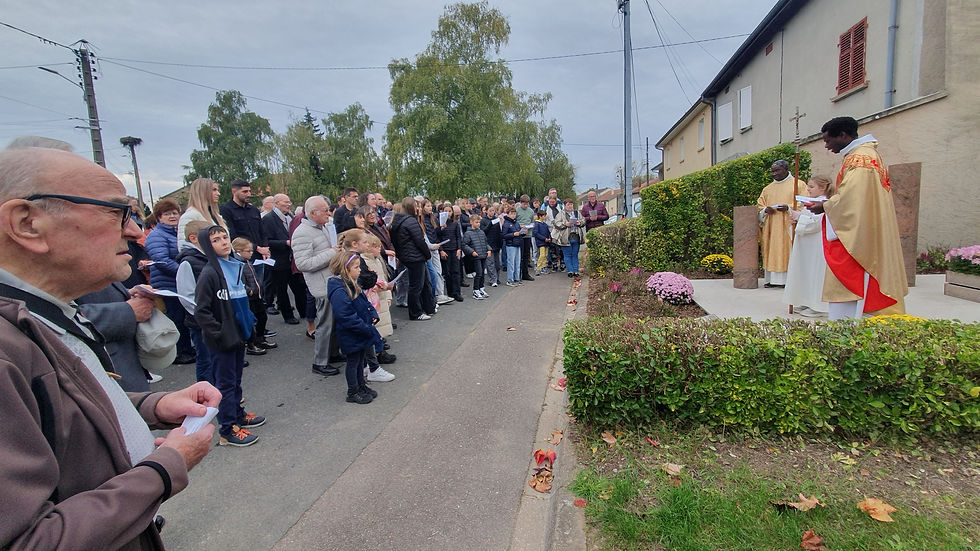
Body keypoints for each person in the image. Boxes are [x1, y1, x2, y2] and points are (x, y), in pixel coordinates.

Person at [0, 146, 219, 550]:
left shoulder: (40, 311)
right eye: (116, 213)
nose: (136, 232)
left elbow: (59, 407)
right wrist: (165, 468)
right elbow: (27, 541)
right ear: (27, 224)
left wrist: (151, 406)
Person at [809, 116, 908, 320]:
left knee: (853, 283)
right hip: (869, 227)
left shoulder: (859, 159)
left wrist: (825, 206)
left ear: (843, 135)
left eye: (828, 140)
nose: (826, 146)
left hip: (859, 235)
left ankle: (847, 327)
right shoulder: (868, 155)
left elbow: (851, 199)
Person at [193, 225, 265, 447]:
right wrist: (220, 332)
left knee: (235, 381)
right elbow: (201, 311)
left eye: (225, 237)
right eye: (216, 240)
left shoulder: (234, 267)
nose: (224, 242)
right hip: (222, 340)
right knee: (224, 384)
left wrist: (249, 323)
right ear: (207, 245)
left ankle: (238, 414)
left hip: (238, 336)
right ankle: (227, 429)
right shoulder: (209, 274)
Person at [291, 196, 344, 376]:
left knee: (334, 322)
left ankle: (333, 353)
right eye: (325, 211)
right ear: (313, 213)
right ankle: (320, 362)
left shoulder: (324, 227)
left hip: (332, 281)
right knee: (325, 325)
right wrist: (332, 252)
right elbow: (303, 264)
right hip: (321, 286)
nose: (329, 214)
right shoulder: (302, 233)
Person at [327, 251, 384, 404]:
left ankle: (361, 386)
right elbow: (345, 316)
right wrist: (364, 327)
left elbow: (365, 302)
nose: (360, 270)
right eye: (356, 267)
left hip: (361, 330)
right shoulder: (339, 290)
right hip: (351, 333)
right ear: (346, 269)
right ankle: (353, 391)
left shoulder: (352, 284)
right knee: (353, 362)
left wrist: (372, 313)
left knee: (360, 360)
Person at [145, 198, 196, 365]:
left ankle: (187, 348)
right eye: (167, 214)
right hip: (168, 283)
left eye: (175, 213)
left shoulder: (177, 233)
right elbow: (161, 260)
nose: (173, 216)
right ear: (159, 217)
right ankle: (180, 352)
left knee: (184, 317)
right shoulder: (156, 235)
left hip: (178, 282)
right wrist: (184, 272)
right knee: (177, 318)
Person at [782, 176, 834, 317]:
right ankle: (805, 300)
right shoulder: (811, 202)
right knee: (805, 272)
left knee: (815, 273)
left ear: (822, 187)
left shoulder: (826, 204)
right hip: (806, 245)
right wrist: (796, 217)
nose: (808, 189)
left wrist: (800, 219)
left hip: (817, 245)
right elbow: (806, 217)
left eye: (811, 187)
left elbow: (819, 221)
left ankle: (817, 306)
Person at [175, 220, 216, 383]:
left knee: (216, 358)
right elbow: (187, 295)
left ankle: (220, 391)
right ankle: (207, 396)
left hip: (215, 318)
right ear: (194, 238)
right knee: (206, 359)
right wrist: (204, 315)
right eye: (210, 235)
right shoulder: (188, 262)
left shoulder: (209, 257)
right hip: (201, 322)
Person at [756, 160, 806, 288]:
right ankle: (772, 280)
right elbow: (760, 206)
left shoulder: (798, 185)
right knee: (772, 250)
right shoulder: (768, 189)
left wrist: (788, 208)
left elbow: (804, 203)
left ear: (786, 169)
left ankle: (789, 281)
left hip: (788, 225)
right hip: (771, 226)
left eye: (777, 170)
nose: (774, 174)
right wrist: (765, 210)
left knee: (787, 249)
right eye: (772, 171)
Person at [261, 193, 306, 324]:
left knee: (298, 287)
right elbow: (267, 241)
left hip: (291, 260)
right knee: (282, 290)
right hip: (278, 261)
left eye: (289, 201)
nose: (288, 204)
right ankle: (288, 315)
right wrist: (285, 243)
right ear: (276, 203)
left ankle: (304, 311)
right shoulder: (268, 219)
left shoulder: (290, 217)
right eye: (285, 202)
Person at [388, 197, 436, 320]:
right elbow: (420, 241)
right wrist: (427, 255)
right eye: (416, 206)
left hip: (408, 256)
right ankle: (415, 313)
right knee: (416, 286)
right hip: (415, 257)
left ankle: (429, 307)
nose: (418, 208)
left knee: (424, 283)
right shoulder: (410, 221)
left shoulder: (397, 222)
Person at [231, 237, 277, 355]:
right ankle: (251, 344)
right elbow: (237, 281)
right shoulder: (236, 264)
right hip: (248, 297)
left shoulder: (247, 261)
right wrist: (248, 291)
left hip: (257, 295)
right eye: (248, 251)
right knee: (251, 321)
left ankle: (260, 339)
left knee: (262, 317)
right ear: (238, 251)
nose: (251, 253)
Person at [177, 178, 225, 251]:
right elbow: (185, 247)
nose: (218, 194)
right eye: (214, 190)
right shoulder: (189, 216)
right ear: (203, 192)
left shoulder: (215, 215)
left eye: (217, 190)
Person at [553, 198, 586, 278]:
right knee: (567, 255)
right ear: (565, 206)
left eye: (571, 204)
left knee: (575, 254)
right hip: (566, 237)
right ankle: (570, 271)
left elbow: (583, 221)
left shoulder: (577, 213)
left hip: (576, 236)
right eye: (568, 204)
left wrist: (579, 222)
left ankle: (576, 271)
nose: (570, 206)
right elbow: (556, 223)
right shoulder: (561, 214)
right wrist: (565, 224)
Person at [462, 212, 491, 300]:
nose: (478, 224)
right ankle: (476, 290)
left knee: (482, 273)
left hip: (483, 255)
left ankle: (481, 288)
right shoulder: (468, 233)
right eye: (476, 222)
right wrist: (472, 252)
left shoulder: (481, 232)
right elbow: (464, 245)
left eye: (479, 222)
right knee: (478, 273)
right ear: (471, 222)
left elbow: (485, 242)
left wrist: (489, 249)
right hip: (476, 256)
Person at [440, 205, 464, 301]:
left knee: (456, 271)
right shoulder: (440, 224)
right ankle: (450, 292)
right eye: (446, 211)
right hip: (445, 250)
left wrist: (459, 249)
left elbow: (458, 237)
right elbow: (438, 237)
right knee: (448, 272)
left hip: (454, 249)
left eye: (450, 211)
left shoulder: (455, 223)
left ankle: (457, 292)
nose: (448, 213)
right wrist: (441, 250)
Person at [515, 194, 536, 281]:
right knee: (519, 256)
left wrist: (530, 226)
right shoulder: (517, 211)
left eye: (527, 204)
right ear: (521, 203)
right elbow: (514, 222)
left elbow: (533, 222)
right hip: (520, 236)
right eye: (524, 204)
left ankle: (525, 274)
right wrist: (521, 226)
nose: (526, 205)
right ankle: (517, 274)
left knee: (526, 255)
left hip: (528, 235)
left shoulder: (531, 211)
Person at [502, 205, 524, 286]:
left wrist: (522, 233)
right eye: (511, 213)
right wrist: (513, 234)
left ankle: (517, 278)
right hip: (510, 244)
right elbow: (504, 235)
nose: (513, 215)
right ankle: (510, 280)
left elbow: (519, 232)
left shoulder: (516, 223)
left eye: (514, 214)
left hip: (517, 243)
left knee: (517, 262)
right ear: (507, 214)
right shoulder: (506, 223)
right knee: (511, 263)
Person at [481, 204, 502, 288]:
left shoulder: (496, 220)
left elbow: (499, 232)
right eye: (490, 210)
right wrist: (490, 224)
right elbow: (483, 232)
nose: (492, 212)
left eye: (493, 210)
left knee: (497, 263)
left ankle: (497, 278)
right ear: (486, 211)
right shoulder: (483, 220)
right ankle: (492, 279)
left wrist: (500, 243)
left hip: (496, 243)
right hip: (488, 244)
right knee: (490, 263)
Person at [533, 209, 552, 276]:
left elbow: (548, 232)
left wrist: (549, 238)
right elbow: (536, 233)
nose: (545, 217)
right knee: (542, 255)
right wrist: (544, 239)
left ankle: (544, 266)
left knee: (546, 255)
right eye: (544, 216)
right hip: (541, 242)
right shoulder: (537, 224)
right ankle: (538, 268)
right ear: (540, 216)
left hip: (546, 242)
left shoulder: (545, 224)